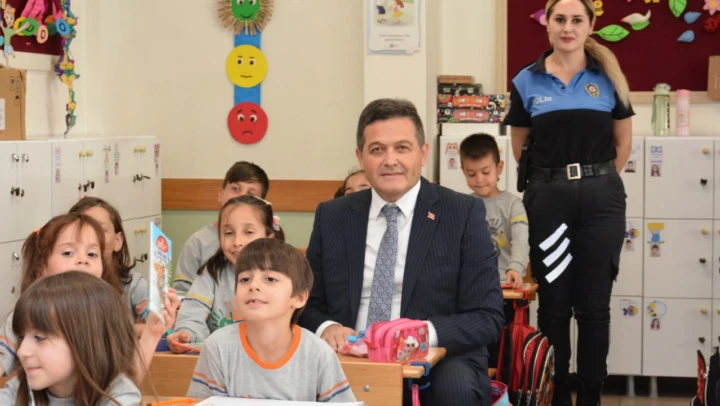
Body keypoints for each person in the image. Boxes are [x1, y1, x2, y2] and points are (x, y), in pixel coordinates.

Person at [301, 98, 504, 405]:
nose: (390, 160)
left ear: (423, 153)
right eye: (377, 149)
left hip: (439, 361)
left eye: (402, 148)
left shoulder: (462, 213)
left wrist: (419, 334)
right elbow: (306, 302)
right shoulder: (332, 216)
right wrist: (328, 328)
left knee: (456, 386)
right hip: (347, 357)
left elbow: (487, 317)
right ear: (360, 157)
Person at [503, 0, 634, 403]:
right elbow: (520, 146)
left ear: (590, 25)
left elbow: (623, 144)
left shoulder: (608, 77)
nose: (568, 27)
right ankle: (557, 393)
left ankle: (591, 395)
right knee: (555, 306)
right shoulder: (526, 80)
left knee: (593, 308)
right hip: (548, 201)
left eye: (577, 20)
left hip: (601, 202)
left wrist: (592, 180)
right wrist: (555, 182)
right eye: (560, 19)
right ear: (547, 24)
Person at [187, 239, 357, 402]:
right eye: (245, 279)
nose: (253, 285)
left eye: (270, 279)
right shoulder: (217, 347)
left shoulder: (319, 354)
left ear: (299, 297)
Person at [0, 272, 142, 405]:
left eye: (40, 337)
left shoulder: (120, 395)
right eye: (22, 337)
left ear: (89, 341)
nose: (21, 352)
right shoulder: (20, 386)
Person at [168, 195, 284, 350]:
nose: (237, 242)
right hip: (219, 358)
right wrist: (187, 334)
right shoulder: (212, 273)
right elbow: (193, 311)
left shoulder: (281, 275)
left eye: (248, 232)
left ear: (269, 238)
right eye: (228, 233)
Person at [173, 161, 270, 296]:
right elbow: (182, 292)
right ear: (221, 194)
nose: (241, 196)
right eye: (235, 189)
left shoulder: (267, 243)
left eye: (251, 193)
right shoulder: (198, 242)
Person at [68, 197, 149, 331]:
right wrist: (136, 329)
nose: (92, 237)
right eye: (83, 229)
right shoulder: (59, 285)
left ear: (117, 241)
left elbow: (160, 327)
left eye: (100, 229)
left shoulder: (133, 284)